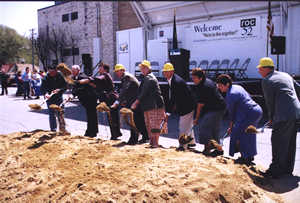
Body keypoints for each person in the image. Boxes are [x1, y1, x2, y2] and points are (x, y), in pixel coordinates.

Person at [258, 57, 300, 178]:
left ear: (266, 69)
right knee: (290, 141)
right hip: (296, 112)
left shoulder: (267, 80)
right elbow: (298, 90)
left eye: (260, 69)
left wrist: (271, 117)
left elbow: (269, 101)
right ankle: (287, 169)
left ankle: (275, 170)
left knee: (277, 141)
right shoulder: (285, 75)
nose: (259, 71)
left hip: (283, 114)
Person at [216, 74, 263, 164]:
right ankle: (249, 156)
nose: (219, 88)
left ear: (227, 84)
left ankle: (245, 158)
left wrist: (231, 126)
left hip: (248, 113)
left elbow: (232, 113)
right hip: (256, 110)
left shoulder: (230, 95)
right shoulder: (237, 87)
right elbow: (248, 96)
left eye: (221, 86)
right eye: (218, 86)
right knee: (249, 134)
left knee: (240, 134)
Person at [80, 63, 122, 140]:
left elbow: (98, 79)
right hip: (108, 98)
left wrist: (88, 80)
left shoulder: (105, 75)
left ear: (104, 69)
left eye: (100, 68)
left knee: (112, 117)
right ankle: (115, 134)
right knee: (112, 117)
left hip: (111, 98)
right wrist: (89, 82)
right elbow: (97, 85)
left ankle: (115, 135)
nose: (99, 69)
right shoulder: (104, 77)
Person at [131, 60, 167, 148]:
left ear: (148, 68)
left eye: (143, 68)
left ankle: (155, 143)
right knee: (149, 124)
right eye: (141, 68)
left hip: (154, 105)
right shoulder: (147, 77)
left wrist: (136, 102)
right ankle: (152, 142)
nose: (142, 70)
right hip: (149, 105)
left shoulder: (149, 78)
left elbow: (144, 92)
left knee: (154, 124)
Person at [191, 68, 226, 156]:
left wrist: (197, 118)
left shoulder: (204, 86)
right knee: (214, 130)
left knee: (204, 127)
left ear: (200, 78)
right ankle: (219, 150)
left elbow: (200, 105)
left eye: (194, 78)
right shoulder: (207, 81)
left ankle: (207, 149)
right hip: (219, 107)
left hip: (216, 108)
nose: (193, 79)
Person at [111, 64, 149, 145]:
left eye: (118, 71)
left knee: (134, 120)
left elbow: (125, 90)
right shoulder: (125, 77)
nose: (117, 73)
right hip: (133, 101)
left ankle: (134, 139)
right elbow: (127, 91)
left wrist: (117, 102)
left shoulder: (127, 77)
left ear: (122, 70)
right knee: (138, 121)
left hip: (135, 102)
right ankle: (145, 137)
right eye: (116, 72)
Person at [162, 63, 196, 151]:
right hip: (187, 105)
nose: (165, 73)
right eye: (164, 72)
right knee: (188, 125)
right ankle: (191, 142)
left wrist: (168, 113)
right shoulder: (172, 80)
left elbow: (173, 99)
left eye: (167, 71)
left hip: (186, 106)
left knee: (183, 126)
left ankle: (182, 146)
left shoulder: (176, 82)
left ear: (172, 71)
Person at [71, 65, 99, 138]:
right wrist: (72, 94)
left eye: (74, 70)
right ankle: (90, 130)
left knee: (92, 115)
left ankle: (92, 132)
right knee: (89, 115)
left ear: (78, 70)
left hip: (90, 98)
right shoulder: (74, 77)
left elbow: (81, 88)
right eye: (72, 70)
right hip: (85, 99)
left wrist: (74, 94)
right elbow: (74, 87)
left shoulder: (83, 77)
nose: (72, 72)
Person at [40, 65, 69, 134]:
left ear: (56, 71)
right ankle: (53, 130)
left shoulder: (60, 76)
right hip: (50, 98)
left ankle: (62, 129)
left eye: (53, 72)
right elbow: (43, 88)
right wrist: (46, 94)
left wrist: (59, 90)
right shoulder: (45, 77)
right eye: (50, 72)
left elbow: (65, 86)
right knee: (52, 114)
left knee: (61, 112)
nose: (51, 74)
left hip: (58, 97)